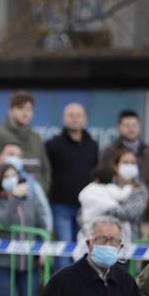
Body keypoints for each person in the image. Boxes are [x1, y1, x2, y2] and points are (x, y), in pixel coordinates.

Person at [0, 164, 50, 296]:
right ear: (0, 180)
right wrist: (14, 197)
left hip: (28, 266)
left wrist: (42, 249)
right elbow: (4, 220)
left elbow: (41, 226)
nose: (11, 179)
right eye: (6, 177)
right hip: (4, 266)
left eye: (13, 175)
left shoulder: (29, 201)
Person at [45, 103, 100, 257]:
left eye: (78, 115)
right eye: (71, 115)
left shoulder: (92, 145)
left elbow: (96, 173)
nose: (75, 119)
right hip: (60, 206)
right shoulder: (53, 145)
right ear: (64, 119)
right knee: (63, 253)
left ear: (85, 119)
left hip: (86, 208)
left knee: (84, 252)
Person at [0, 143, 51, 235]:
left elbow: (43, 214)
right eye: (11, 154)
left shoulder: (31, 185)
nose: (15, 158)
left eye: (19, 156)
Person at [98, 109, 149, 220]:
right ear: (119, 127)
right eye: (127, 125)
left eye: (134, 125)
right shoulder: (110, 151)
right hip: (118, 208)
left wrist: (146, 194)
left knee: (143, 237)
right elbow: (102, 176)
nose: (131, 129)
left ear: (139, 126)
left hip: (145, 209)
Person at [0, 90, 51, 192]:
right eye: (20, 108)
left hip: (34, 196)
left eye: (29, 109)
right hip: (8, 197)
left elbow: (45, 169)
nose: (25, 113)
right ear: (10, 111)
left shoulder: (36, 137)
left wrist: (42, 189)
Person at [79, 149, 147, 243]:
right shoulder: (105, 184)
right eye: (125, 162)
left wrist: (103, 209)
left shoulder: (139, 190)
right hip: (97, 237)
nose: (129, 166)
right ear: (116, 166)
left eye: (133, 163)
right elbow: (83, 211)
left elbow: (130, 214)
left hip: (125, 239)